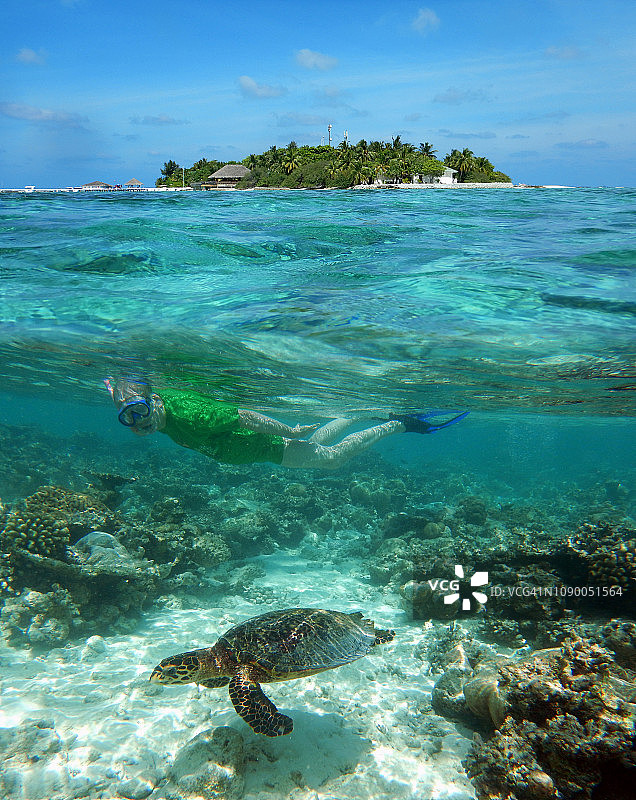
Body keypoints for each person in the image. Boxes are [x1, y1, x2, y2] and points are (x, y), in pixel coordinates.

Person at [104, 377, 468, 470]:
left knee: (331, 458)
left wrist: (288, 430)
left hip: (265, 446)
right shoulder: (161, 413)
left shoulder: (191, 414)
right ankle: (355, 413)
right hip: (258, 449)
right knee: (316, 447)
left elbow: (246, 416)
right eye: (127, 418)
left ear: (153, 399)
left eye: (138, 410)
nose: (137, 423)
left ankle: (399, 424)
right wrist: (121, 392)